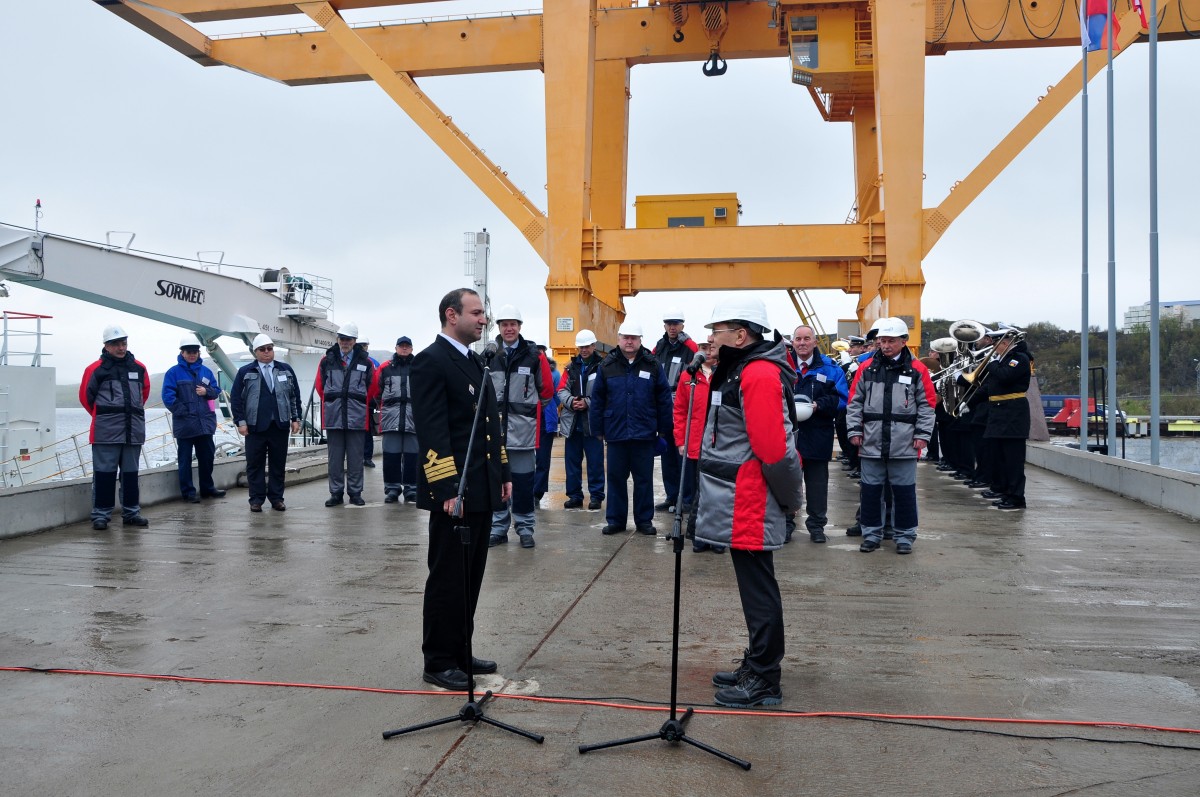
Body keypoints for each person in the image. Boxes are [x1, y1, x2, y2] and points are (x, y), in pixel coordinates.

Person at [694, 297, 802, 708]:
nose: (710, 338)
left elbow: (774, 449)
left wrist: (792, 501)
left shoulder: (756, 374)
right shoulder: (738, 370)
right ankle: (756, 663)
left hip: (751, 501)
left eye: (717, 331)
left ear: (741, 336)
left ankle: (764, 678)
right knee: (753, 585)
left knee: (759, 590)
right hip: (739, 498)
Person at [413, 287, 511, 691]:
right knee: (448, 576)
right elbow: (433, 432)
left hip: (482, 488)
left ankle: (460, 649)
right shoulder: (431, 362)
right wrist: (447, 487)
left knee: (471, 576)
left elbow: (491, 424)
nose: (483, 320)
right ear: (452, 315)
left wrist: (503, 473)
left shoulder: (475, 363)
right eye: (476, 313)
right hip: (455, 491)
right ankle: (438, 658)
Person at [845, 317, 936, 554]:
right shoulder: (866, 369)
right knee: (871, 492)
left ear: (904, 341)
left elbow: (927, 405)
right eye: (882, 341)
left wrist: (923, 435)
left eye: (890, 341)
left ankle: (905, 536)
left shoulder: (918, 370)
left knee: (904, 493)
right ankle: (871, 534)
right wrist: (854, 430)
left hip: (904, 442)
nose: (885, 345)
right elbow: (854, 402)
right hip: (872, 441)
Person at [589, 320, 673, 536]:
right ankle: (616, 520)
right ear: (618, 340)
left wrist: (663, 430)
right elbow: (597, 399)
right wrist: (597, 430)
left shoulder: (652, 365)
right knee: (616, 479)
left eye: (633, 338)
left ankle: (644, 521)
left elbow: (663, 399)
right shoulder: (607, 366)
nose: (629, 341)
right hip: (616, 433)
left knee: (643, 480)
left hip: (644, 433)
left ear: (640, 340)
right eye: (625, 337)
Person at [484, 304, 554, 549]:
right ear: (499, 328)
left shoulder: (535, 356)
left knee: (523, 483)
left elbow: (546, 391)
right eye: (504, 324)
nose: (509, 328)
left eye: (513, 324)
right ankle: (498, 528)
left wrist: (526, 412)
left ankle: (525, 528)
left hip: (523, 432)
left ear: (520, 327)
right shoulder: (490, 356)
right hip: (495, 432)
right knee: (495, 481)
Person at [80, 324, 152, 530]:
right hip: (105, 433)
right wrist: (107, 417)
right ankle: (101, 515)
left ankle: (131, 513)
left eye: (123, 343)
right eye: (116, 344)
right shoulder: (94, 369)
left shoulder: (139, 368)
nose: (121, 348)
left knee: (130, 475)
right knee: (104, 474)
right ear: (106, 346)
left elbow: (143, 395)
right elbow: (86, 398)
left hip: (133, 431)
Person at [789, 325, 848, 543]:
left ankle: (816, 526)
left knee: (817, 484)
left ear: (815, 342)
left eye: (807, 338)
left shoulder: (831, 369)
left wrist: (818, 405)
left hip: (817, 434)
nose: (802, 343)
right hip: (788, 436)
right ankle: (786, 523)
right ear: (792, 342)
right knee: (787, 482)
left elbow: (843, 399)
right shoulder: (782, 367)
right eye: (798, 339)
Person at [230, 334, 303, 512]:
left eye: (270, 348)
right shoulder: (245, 372)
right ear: (255, 352)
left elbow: (294, 396)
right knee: (255, 464)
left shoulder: (285, 370)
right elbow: (236, 399)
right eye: (262, 349)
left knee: (278, 464)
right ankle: (256, 499)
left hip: (279, 424)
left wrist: (296, 418)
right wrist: (241, 422)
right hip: (255, 426)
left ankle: (277, 498)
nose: (267, 352)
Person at [316, 322, 377, 507]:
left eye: (348, 339)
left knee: (356, 458)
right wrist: (335, 404)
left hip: (356, 417)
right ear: (338, 339)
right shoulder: (327, 361)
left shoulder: (365, 363)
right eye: (342, 338)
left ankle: (355, 493)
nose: (344, 342)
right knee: (334, 459)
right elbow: (320, 386)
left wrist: (355, 404)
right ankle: (336, 493)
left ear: (354, 341)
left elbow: (372, 387)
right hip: (334, 417)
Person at [161, 334, 225, 503]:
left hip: (204, 424)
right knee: (185, 461)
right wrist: (185, 411)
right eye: (189, 351)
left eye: (195, 351)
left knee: (207, 458)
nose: (192, 354)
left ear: (198, 352)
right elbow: (168, 397)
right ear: (182, 353)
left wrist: (207, 392)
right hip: (185, 426)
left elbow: (216, 390)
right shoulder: (173, 373)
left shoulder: (206, 371)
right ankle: (188, 493)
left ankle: (207, 488)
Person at [674, 340, 724, 554]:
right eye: (705, 348)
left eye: (712, 348)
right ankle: (700, 535)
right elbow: (680, 411)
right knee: (699, 491)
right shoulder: (689, 376)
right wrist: (681, 441)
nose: (708, 351)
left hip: (721, 442)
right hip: (695, 441)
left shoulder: (726, 373)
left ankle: (718, 537)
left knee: (720, 492)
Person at [652, 310, 699, 513]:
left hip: (682, 405)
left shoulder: (690, 347)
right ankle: (672, 496)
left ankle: (687, 498)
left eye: (676, 324)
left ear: (682, 326)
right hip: (663, 405)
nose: (672, 327)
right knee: (667, 453)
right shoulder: (659, 347)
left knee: (684, 454)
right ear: (664, 326)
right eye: (669, 324)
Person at [981, 326, 1031, 510]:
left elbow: (1005, 376)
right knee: (1000, 456)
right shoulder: (1005, 359)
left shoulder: (1019, 358)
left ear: (1005, 342)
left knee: (1013, 459)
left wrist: (992, 364)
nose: (994, 347)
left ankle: (1017, 497)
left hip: (1013, 414)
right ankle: (1005, 491)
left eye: (996, 343)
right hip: (1000, 412)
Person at [557, 329, 605, 511]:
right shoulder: (571, 367)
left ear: (593, 346)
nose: (583, 350)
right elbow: (561, 390)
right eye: (581, 347)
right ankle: (575, 496)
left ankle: (596, 496)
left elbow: (605, 393)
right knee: (572, 462)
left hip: (593, 425)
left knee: (595, 462)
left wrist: (588, 403)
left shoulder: (602, 367)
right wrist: (572, 402)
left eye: (587, 346)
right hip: (574, 424)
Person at [375, 336, 418, 503]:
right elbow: (376, 393)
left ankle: (411, 489)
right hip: (390, 419)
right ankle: (392, 489)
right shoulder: (386, 368)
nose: (404, 349)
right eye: (402, 346)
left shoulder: (419, 367)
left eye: (407, 346)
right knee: (391, 456)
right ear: (396, 348)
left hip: (412, 419)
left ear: (412, 348)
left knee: (412, 456)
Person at [533, 347, 561, 503]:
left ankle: (537, 492)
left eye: (542, 350)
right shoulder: (527, 368)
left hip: (545, 420)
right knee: (527, 458)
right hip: (530, 419)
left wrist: (549, 408)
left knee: (543, 458)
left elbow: (557, 395)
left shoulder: (554, 373)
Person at [358, 335, 381, 469]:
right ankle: (363, 457)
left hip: (367, 402)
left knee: (367, 430)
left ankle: (367, 457)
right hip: (359, 401)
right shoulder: (371, 362)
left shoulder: (372, 363)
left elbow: (376, 383)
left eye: (364, 345)